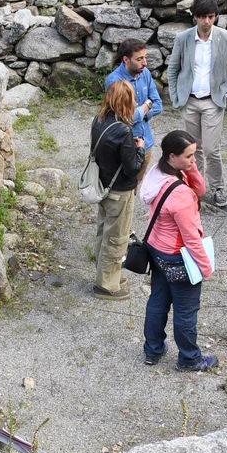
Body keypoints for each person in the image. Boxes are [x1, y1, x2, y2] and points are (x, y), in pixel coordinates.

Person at [142, 130, 217, 372]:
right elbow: (192, 238)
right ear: (172, 156)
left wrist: (190, 168)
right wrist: (206, 267)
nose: (193, 160)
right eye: (189, 157)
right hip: (177, 257)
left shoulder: (159, 174)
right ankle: (189, 358)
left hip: (157, 250)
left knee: (158, 301)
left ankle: (152, 350)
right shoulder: (182, 197)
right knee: (185, 311)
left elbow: (201, 189)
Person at [165, 0, 227, 212]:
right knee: (192, 149)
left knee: (211, 148)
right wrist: (176, 96)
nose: (206, 21)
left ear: (216, 16)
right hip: (189, 101)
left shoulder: (226, 38)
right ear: (195, 17)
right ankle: (195, 188)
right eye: (202, 17)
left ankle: (217, 188)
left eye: (210, 17)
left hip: (213, 102)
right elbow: (173, 69)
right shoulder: (183, 38)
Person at [89, 80, 146, 299]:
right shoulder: (123, 131)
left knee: (104, 232)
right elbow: (132, 169)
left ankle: (107, 274)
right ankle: (106, 286)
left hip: (103, 186)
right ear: (127, 101)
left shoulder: (99, 120)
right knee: (117, 238)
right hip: (120, 192)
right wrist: (139, 149)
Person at [104, 39, 163, 155]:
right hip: (125, 146)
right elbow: (126, 118)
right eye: (139, 59)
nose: (145, 63)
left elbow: (159, 105)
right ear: (126, 60)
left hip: (146, 143)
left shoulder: (145, 73)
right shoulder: (115, 81)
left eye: (145, 57)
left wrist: (141, 114)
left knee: (143, 173)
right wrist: (147, 104)